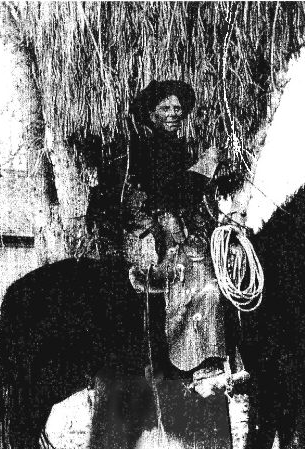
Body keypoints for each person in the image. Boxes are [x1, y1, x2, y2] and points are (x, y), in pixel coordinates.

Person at [87, 80, 230, 397]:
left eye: (178, 108)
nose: (173, 113)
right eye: (165, 108)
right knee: (204, 282)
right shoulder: (137, 151)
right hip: (151, 238)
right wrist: (206, 165)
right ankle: (202, 364)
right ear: (151, 114)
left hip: (186, 231)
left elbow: (190, 196)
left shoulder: (183, 149)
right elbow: (169, 192)